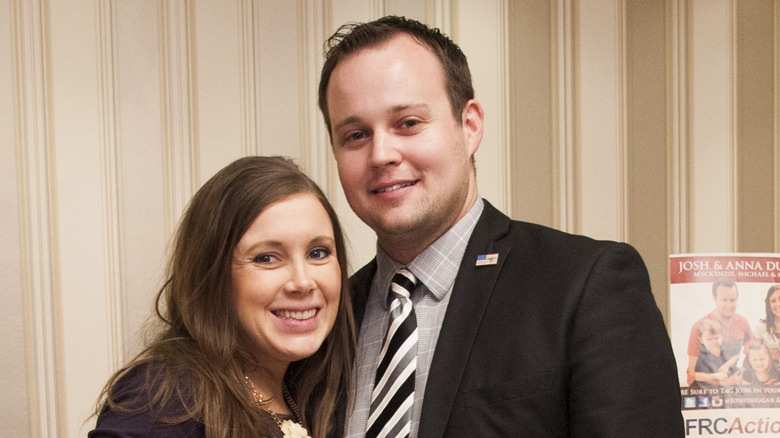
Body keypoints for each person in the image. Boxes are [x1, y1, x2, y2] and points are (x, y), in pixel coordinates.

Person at [317, 15, 683, 437]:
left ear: (469, 126)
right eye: (356, 135)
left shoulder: (584, 284)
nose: (381, 153)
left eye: (409, 123)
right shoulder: (329, 319)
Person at [89, 156, 355, 438]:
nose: (302, 281)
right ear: (212, 274)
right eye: (266, 258)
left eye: (318, 253)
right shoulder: (165, 399)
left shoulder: (309, 394)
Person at [686, 278, 753, 385]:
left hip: (736, 388)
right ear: (714, 298)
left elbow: (752, 349)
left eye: (733, 300)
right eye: (724, 300)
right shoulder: (699, 327)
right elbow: (691, 373)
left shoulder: (742, 322)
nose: (729, 305)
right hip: (709, 388)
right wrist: (719, 379)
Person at [690, 319, 740, 388]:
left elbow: (736, 356)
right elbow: (695, 375)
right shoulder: (700, 356)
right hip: (707, 386)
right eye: (709, 339)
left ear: (722, 336)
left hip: (727, 383)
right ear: (701, 340)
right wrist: (716, 376)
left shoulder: (726, 346)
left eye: (717, 338)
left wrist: (726, 365)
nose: (714, 342)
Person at [753, 284, 780, 362]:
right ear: (769, 304)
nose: (777, 304)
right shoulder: (761, 327)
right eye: (773, 301)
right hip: (769, 370)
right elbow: (754, 352)